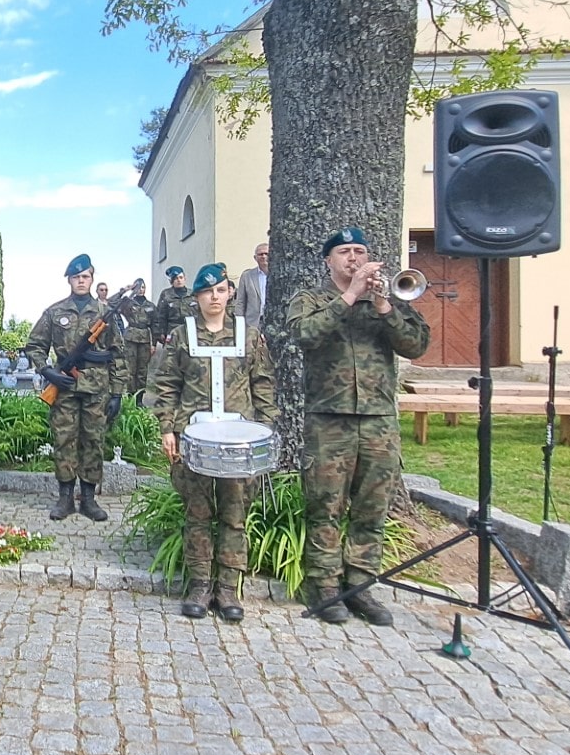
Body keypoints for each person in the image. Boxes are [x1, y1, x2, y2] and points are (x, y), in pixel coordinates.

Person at [286, 228, 429, 626]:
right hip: (329, 420)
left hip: (378, 420)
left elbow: (416, 344)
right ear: (328, 260)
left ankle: (360, 585)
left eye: (360, 251)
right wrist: (349, 296)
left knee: (372, 508)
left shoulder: (388, 300)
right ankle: (325, 587)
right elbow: (305, 334)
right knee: (325, 506)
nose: (354, 258)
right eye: (345, 252)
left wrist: (383, 304)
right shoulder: (311, 299)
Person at [152, 264, 276, 623]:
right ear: (196, 297)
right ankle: (200, 585)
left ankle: (228, 589)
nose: (214, 298)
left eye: (220, 290)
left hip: (239, 444)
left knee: (235, 517)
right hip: (195, 441)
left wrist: (266, 430)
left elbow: (263, 384)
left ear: (230, 293)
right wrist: (167, 429)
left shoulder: (248, 335)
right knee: (198, 515)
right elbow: (167, 386)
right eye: (207, 292)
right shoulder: (182, 335)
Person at [25, 254, 128, 523]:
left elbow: (118, 353)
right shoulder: (55, 312)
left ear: (92, 279)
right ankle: (65, 498)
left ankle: (89, 499)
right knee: (64, 440)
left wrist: (117, 393)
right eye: (76, 277)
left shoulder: (105, 313)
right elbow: (34, 345)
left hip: (96, 388)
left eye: (85, 277)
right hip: (66, 388)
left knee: (93, 441)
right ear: (69, 280)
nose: (81, 281)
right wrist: (48, 372)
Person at [116, 279, 155, 398]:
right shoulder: (128, 303)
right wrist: (125, 291)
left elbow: (155, 325)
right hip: (130, 337)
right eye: (138, 287)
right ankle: (130, 397)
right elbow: (113, 304)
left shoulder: (151, 306)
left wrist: (153, 344)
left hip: (145, 338)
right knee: (130, 369)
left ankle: (139, 398)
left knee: (142, 371)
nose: (141, 290)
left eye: (143, 287)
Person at [151, 265, 195, 344]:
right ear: (171, 281)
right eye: (176, 278)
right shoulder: (166, 294)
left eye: (181, 277)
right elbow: (160, 315)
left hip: (190, 331)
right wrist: (161, 332)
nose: (179, 280)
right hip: (172, 330)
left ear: (185, 279)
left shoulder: (193, 294)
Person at [239, 242, 271, 332]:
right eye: (260, 254)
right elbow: (241, 302)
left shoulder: (280, 275)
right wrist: (240, 324)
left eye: (266, 254)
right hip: (253, 324)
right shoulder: (247, 276)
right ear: (255, 258)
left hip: (274, 322)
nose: (264, 256)